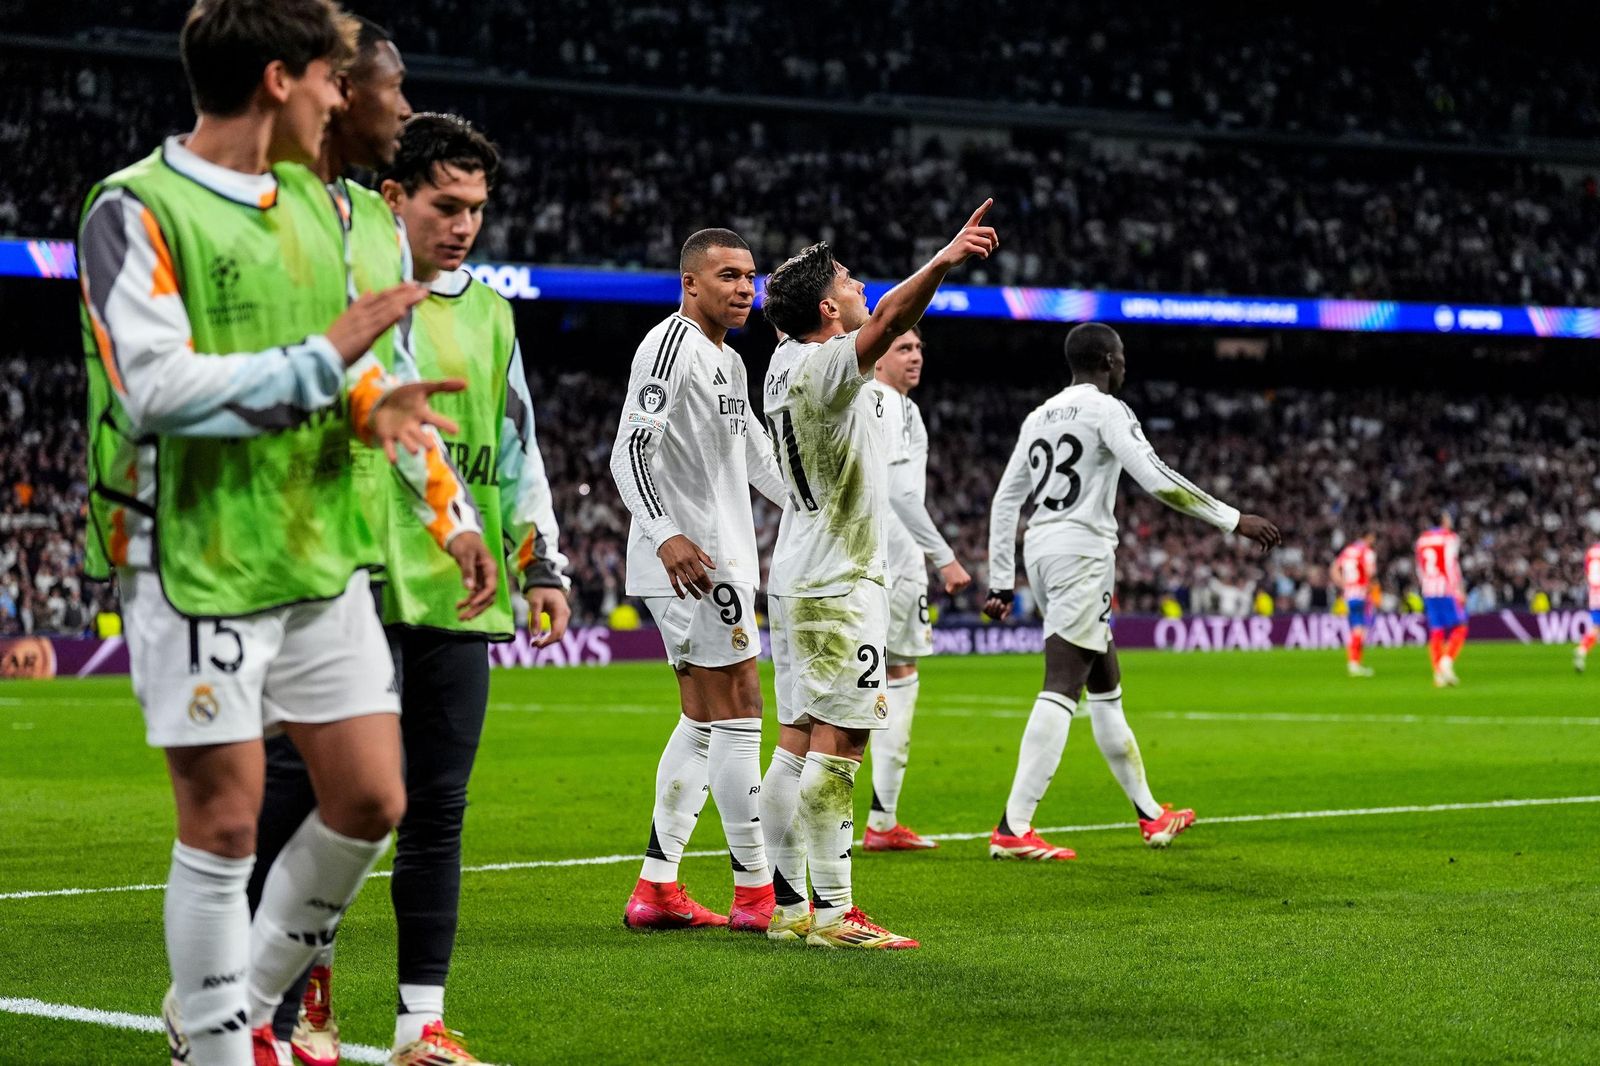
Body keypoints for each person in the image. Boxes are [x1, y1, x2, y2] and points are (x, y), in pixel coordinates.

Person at [76, 2, 477, 1062]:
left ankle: (236, 1004)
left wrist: (426, 478)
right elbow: (155, 386)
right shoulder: (133, 207)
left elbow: (355, 373)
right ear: (276, 80)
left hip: (313, 543)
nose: (342, 100)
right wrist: (328, 358)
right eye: (328, 81)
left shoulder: (325, 208)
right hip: (196, 556)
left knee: (371, 794)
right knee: (222, 820)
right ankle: (212, 1042)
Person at [758, 200, 1000, 950]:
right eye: (851, 281)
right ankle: (834, 914)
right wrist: (945, 260)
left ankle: (788, 906)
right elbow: (893, 316)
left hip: (798, 571)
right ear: (829, 307)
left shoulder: (779, 364)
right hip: (839, 579)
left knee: (795, 739)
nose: (864, 286)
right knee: (841, 742)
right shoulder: (827, 364)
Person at [983, 323, 1280, 860]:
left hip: (1041, 550)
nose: (1125, 367)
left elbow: (1006, 501)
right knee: (1063, 680)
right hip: (1082, 552)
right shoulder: (1106, 410)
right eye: (1120, 359)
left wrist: (1002, 578)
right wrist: (1232, 519)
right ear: (1105, 361)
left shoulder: (1038, 417)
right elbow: (1156, 475)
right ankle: (1013, 826)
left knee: (1105, 682)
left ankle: (1150, 814)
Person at [607, 228, 787, 932]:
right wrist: (667, 533)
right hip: (693, 561)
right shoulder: (670, 345)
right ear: (690, 283)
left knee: (705, 721)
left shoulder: (729, 361)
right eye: (728, 276)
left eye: (750, 276)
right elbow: (629, 451)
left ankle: (657, 887)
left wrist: (815, 505)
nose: (745, 288)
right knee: (741, 704)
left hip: (713, 558)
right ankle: (755, 893)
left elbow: (756, 460)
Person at [862, 327, 970, 851]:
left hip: (856, 558)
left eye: (920, 348)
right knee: (900, 676)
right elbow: (904, 493)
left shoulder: (862, 399)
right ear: (877, 359)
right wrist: (945, 557)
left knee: (837, 697)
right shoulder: (896, 406)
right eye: (903, 348)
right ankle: (882, 821)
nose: (916, 356)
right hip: (897, 565)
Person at [1414, 513, 1467, 686]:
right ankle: (1446, 661)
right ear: (1444, 521)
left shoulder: (1421, 539)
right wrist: (1458, 589)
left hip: (1429, 588)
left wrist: (1425, 584)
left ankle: (1438, 673)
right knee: (1460, 626)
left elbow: (1419, 568)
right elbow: (1452, 564)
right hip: (1446, 588)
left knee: (1436, 630)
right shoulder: (1450, 537)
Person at [1331, 533, 1378, 678]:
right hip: (1361, 593)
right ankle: (1354, 663)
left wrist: (1343, 585)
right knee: (1360, 630)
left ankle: (1355, 663)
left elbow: (1333, 569)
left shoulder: (1347, 551)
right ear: (1368, 537)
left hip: (1349, 594)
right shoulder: (1367, 552)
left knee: (1357, 629)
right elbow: (1371, 573)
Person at [1577, 541, 1600, 673]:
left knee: (1596, 629)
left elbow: (1587, 572)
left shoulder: (1590, 552)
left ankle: (1581, 650)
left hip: (1594, 595)